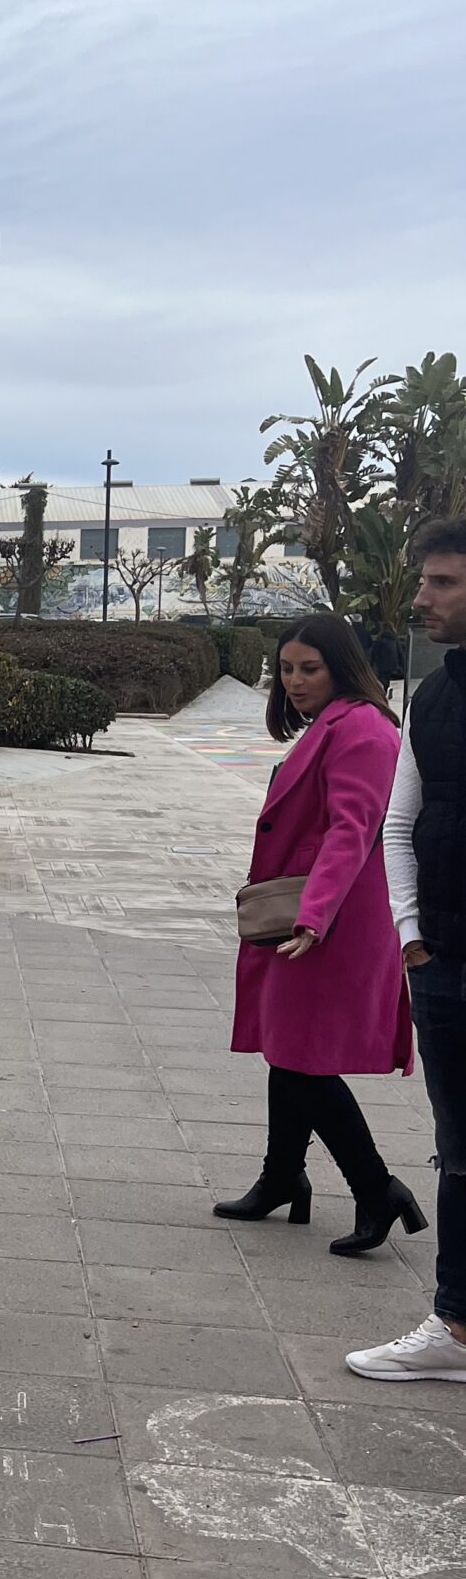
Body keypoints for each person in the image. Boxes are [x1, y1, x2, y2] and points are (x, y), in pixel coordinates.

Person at [216, 613, 419, 1251]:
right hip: (312, 918)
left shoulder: (361, 727)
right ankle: (282, 1179)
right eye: (286, 669)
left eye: (311, 668)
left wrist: (314, 913)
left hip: (332, 925)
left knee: (304, 1061)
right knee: (289, 1049)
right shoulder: (334, 724)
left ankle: (377, 1188)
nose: (296, 681)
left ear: (341, 665)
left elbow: (351, 829)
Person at [349, 522, 466, 1380]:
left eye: (443, 584)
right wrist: (410, 936)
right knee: (459, 1150)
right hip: (445, 965)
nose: (422, 599)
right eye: (427, 581)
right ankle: (455, 1329)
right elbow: (400, 819)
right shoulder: (432, 697)